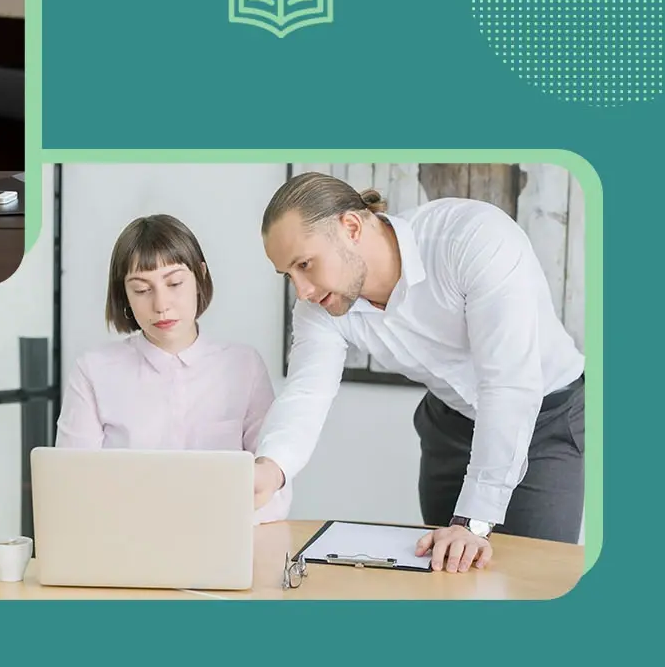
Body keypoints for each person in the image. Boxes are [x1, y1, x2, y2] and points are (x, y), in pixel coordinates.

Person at [255, 172, 586, 572]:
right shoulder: (320, 308)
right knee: (442, 577)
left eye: (305, 264)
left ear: (352, 227)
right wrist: (270, 469)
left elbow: (508, 385)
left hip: (547, 421)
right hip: (449, 423)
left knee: (538, 575)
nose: (302, 290)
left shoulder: (473, 239)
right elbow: (307, 393)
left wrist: (472, 522)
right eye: (288, 275)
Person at [55, 214, 292, 524]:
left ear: (200, 277)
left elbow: (273, 493)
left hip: (224, 545)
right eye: (142, 290)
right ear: (124, 294)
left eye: (175, 283)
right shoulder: (94, 371)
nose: (161, 304)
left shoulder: (243, 366)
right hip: (123, 548)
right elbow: (69, 488)